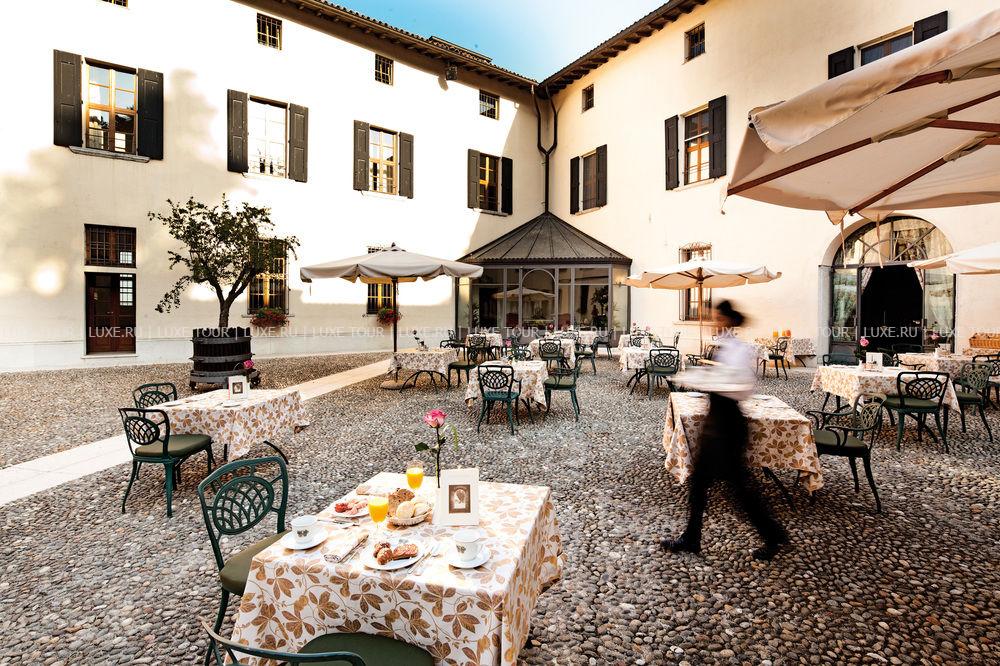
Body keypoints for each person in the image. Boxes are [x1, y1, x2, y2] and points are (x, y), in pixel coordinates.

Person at [662, 300, 788, 561]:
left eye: (717, 318)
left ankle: (773, 534)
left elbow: (743, 387)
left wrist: (708, 380)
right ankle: (692, 537)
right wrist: (699, 377)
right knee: (700, 483)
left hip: (728, 427)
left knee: (740, 490)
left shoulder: (739, 349)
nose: (714, 322)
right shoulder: (722, 347)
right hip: (716, 424)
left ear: (728, 320)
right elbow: (720, 379)